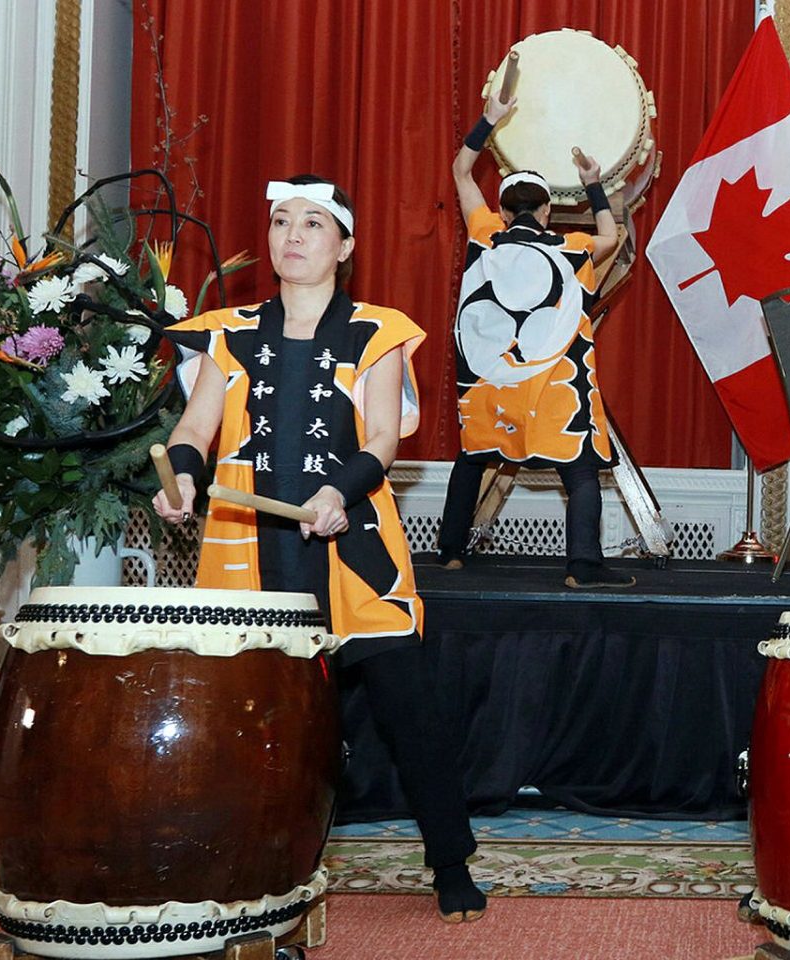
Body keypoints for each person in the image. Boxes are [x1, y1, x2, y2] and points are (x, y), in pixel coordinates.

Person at [154, 176, 484, 923]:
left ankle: (450, 859)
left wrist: (339, 491)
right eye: (279, 222)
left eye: (311, 223)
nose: (291, 235)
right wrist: (178, 481)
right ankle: (248, 856)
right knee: (249, 716)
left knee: (409, 709)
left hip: (353, 544)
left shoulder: (378, 330)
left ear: (345, 246)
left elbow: (382, 439)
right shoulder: (227, 332)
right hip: (248, 549)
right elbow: (193, 434)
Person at [437, 84, 634, 589]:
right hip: (552, 389)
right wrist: (592, 184)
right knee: (581, 471)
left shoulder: (484, 234)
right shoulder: (572, 248)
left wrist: (488, 120)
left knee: (473, 456)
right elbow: (614, 237)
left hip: (491, 385)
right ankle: (582, 566)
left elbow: (460, 171)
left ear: (503, 210)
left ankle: (450, 554)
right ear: (547, 211)